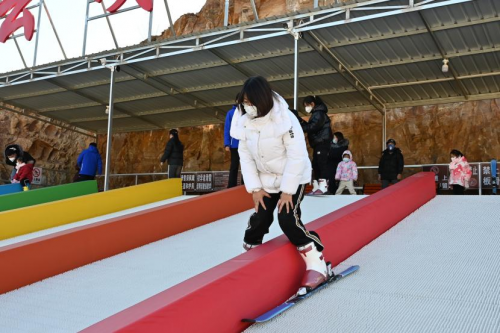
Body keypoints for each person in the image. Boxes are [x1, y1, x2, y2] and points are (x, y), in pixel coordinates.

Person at [231, 76, 331, 291]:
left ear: (262, 99)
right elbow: (245, 156)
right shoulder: (243, 119)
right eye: (244, 102)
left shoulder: (284, 118)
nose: (247, 107)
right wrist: (255, 189)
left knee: (287, 218)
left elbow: (297, 156)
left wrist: (287, 192)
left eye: (251, 102)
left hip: (292, 177)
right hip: (266, 180)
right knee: (260, 218)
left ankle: (317, 262)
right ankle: (250, 257)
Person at [301, 96, 333, 195]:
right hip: (317, 143)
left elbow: (312, 127)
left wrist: (301, 124)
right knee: (316, 164)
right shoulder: (316, 114)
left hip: (322, 142)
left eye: (307, 105)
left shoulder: (319, 114)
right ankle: (317, 187)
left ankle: (324, 187)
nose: (306, 108)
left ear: (312, 104)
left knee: (321, 164)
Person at [224, 93, 244, 188]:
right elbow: (227, 128)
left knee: (246, 165)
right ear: (236, 100)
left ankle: (246, 185)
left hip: (245, 143)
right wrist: (227, 144)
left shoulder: (248, 112)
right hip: (234, 144)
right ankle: (231, 186)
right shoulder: (231, 113)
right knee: (234, 166)